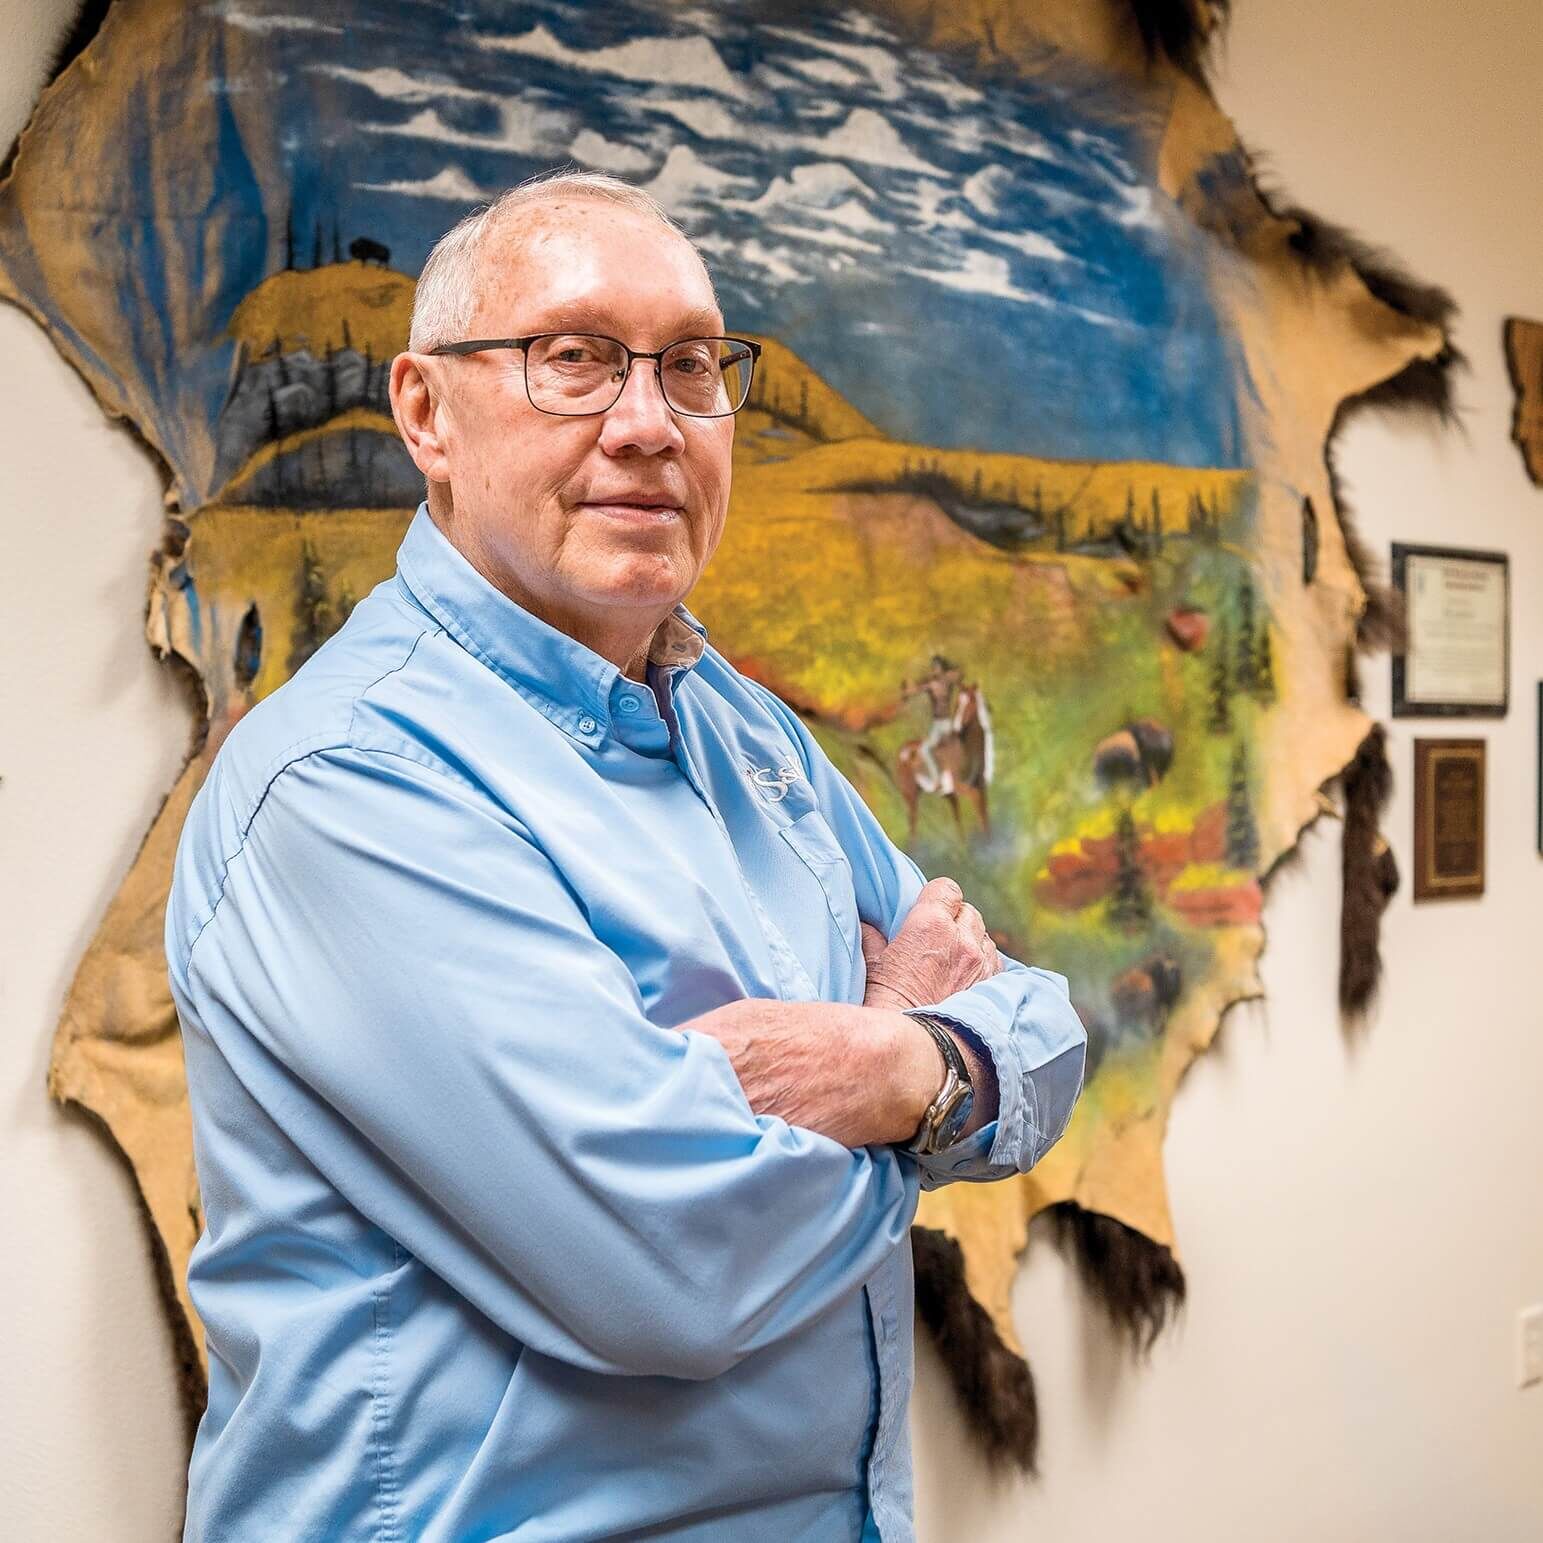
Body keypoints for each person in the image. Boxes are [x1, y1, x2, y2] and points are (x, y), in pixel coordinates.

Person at [165, 169, 1087, 1542]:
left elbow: (1040, 1028)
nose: (651, 426)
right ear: (427, 413)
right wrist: (914, 1030)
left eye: (694, 368)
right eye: (577, 361)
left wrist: (893, 1066)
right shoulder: (348, 783)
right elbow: (676, 1264)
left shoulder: (745, 731)